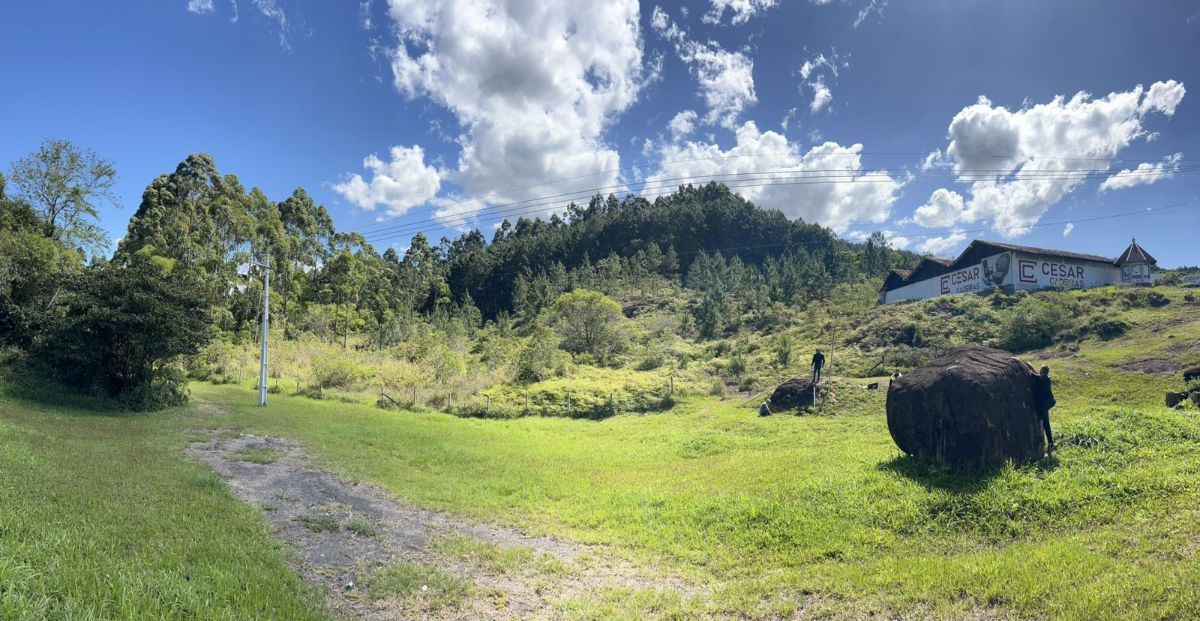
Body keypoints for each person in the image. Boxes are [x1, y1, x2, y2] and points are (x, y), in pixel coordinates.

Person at [1032, 365, 1056, 456]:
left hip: (1045, 404)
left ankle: (1050, 442)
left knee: (1046, 423)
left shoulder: (1040, 379)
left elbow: (1032, 374)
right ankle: (1050, 442)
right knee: (1044, 420)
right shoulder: (1047, 379)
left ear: (1041, 371)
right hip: (1050, 402)